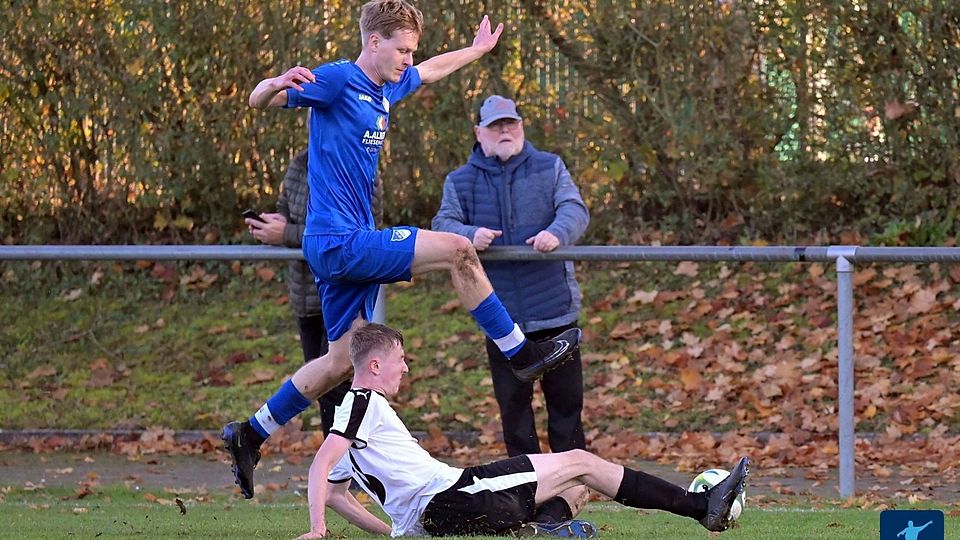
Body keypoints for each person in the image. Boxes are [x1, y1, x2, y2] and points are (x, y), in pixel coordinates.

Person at [224, 0, 581, 499]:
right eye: (403, 50)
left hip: (339, 246)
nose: (410, 60)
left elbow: (432, 70)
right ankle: (519, 352)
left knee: (341, 360)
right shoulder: (335, 80)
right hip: (342, 241)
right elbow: (258, 101)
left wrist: (477, 51)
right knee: (459, 248)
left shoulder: (388, 86)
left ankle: (250, 432)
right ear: (374, 42)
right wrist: (273, 84)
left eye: (412, 50)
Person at [297, 323, 750, 538]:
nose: (406, 368)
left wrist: (394, 532)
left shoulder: (351, 415)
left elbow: (337, 492)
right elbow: (322, 465)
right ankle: (701, 506)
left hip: (439, 517)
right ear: (375, 366)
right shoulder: (362, 404)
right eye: (400, 360)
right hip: (456, 495)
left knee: (577, 490)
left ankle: (545, 530)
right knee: (581, 463)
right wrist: (317, 529)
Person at [432, 95, 590, 457]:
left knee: (567, 410)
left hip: (556, 311)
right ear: (479, 132)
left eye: (511, 123)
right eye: (495, 125)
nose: (505, 131)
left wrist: (558, 233)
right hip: (499, 317)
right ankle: (527, 488)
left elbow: (574, 209)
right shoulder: (460, 181)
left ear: (521, 126)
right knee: (515, 414)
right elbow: (443, 224)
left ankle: (573, 485)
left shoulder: (550, 167)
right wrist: (470, 234)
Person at [245, 149, 379, 435]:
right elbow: (286, 207)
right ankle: (337, 469)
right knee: (321, 387)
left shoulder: (358, 164)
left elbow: (358, 230)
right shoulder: (299, 164)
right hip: (306, 295)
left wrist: (287, 235)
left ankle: (346, 467)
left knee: (339, 383)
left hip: (343, 295)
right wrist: (273, 224)